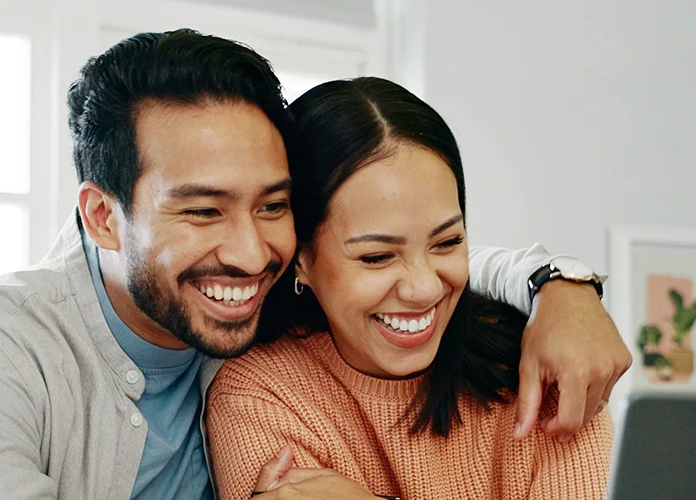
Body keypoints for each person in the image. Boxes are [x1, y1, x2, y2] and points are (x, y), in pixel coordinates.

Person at [0, 30, 628, 500]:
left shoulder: (251, 306)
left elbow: (402, 257)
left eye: (272, 206)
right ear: (103, 215)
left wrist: (563, 285)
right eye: (203, 210)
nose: (249, 252)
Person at [204, 77, 615, 500]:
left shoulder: (545, 372)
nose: (423, 288)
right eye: (377, 257)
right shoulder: (260, 391)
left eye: (447, 242)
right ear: (301, 258)